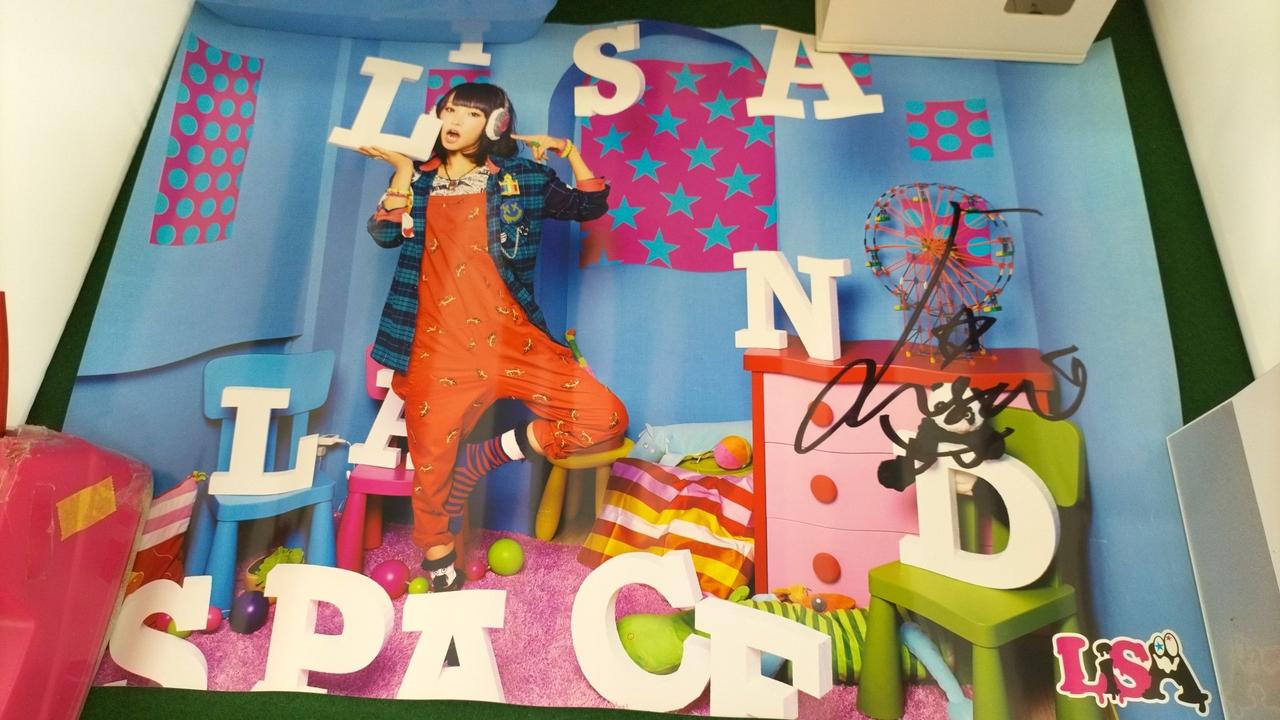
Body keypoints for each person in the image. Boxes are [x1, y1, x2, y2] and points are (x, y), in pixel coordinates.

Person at [359, 82, 628, 591]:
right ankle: (439, 560)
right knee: (431, 462)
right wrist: (400, 171)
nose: (454, 120)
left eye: (469, 114)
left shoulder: (522, 176)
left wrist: (571, 154)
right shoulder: (418, 180)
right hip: (439, 347)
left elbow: (588, 206)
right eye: (449, 110)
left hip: (513, 337)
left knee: (605, 417)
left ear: (497, 124)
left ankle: (486, 456)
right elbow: (386, 234)